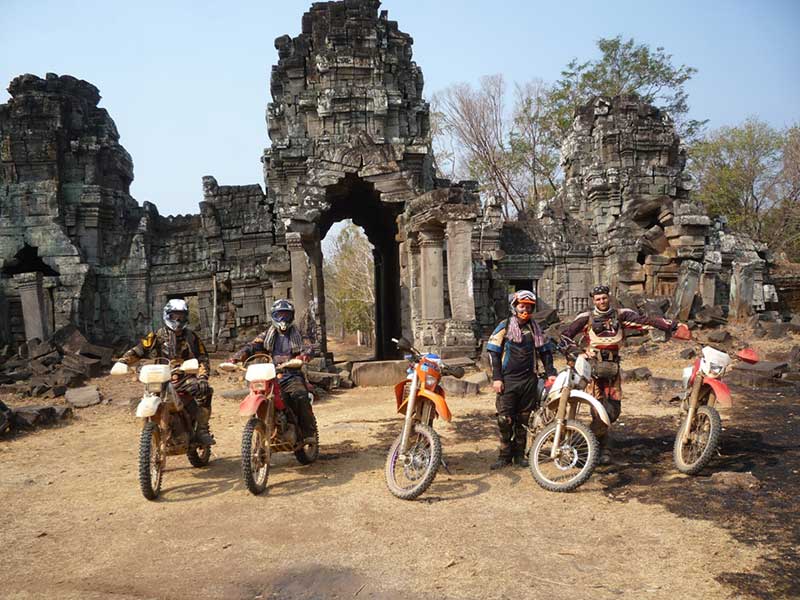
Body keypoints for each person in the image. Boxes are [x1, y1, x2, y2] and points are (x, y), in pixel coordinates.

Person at [560, 285, 678, 463]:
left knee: (613, 411)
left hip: (613, 368)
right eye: (598, 299)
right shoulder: (586, 318)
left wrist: (670, 325)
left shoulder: (621, 314)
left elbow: (644, 320)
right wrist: (580, 352)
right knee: (597, 409)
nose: (601, 301)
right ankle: (598, 448)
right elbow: (565, 336)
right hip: (593, 370)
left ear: (609, 297)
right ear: (593, 300)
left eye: (604, 298)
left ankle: (587, 441)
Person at [114, 299, 215, 445]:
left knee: (204, 391)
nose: (178, 319)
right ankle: (150, 438)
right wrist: (123, 361)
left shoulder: (191, 337)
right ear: (167, 315)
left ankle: (202, 430)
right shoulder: (156, 336)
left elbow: (203, 358)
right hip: (159, 378)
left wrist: (203, 377)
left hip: (184, 378)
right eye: (174, 316)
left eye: (181, 316)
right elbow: (138, 350)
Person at [486, 290, 557, 470]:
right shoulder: (505, 326)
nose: (525, 309)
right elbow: (494, 353)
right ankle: (504, 455)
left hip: (529, 380)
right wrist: (496, 378)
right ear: (515, 306)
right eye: (522, 305)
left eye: (528, 306)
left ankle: (519, 454)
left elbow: (545, 352)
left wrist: (551, 373)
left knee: (524, 419)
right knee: (504, 419)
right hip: (508, 379)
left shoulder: (535, 328)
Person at [230, 299, 316, 444]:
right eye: (279, 315)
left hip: (291, 375)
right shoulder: (267, 335)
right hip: (270, 375)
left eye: (286, 315)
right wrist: (235, 358)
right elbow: (252, 346)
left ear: (292, 316)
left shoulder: (299, 334)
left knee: (299, 396)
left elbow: (309, 347)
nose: (283, 319)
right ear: (273, 316)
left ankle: (308, 433)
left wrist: (303, 356)